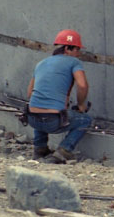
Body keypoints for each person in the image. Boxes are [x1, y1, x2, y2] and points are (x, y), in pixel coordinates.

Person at [26, 29, 91, 164]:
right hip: (54, 121)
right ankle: (63, 152)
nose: (78, 54)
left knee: (39, 108)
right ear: (67, 48)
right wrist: (80, 105)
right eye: (77, 50)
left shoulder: (41, 63)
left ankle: (40, 149)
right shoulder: (74, 62)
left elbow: (29, 93)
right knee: (85, 120)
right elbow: (82, 85)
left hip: (31, 118)